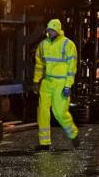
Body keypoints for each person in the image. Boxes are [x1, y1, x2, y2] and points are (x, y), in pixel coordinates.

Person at [33, 18, 81, 151]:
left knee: (60, 113)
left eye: (53, 30)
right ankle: (44, 143)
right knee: (42, 112)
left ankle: (73, 134)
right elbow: (39, 65)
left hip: (61, 84)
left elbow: (72, 68)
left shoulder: (68, 44)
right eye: (49, 30)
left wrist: (68, 85)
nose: (50, 32)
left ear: (59, 30)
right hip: (47, 83)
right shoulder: (43, 45)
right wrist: (36, 81)